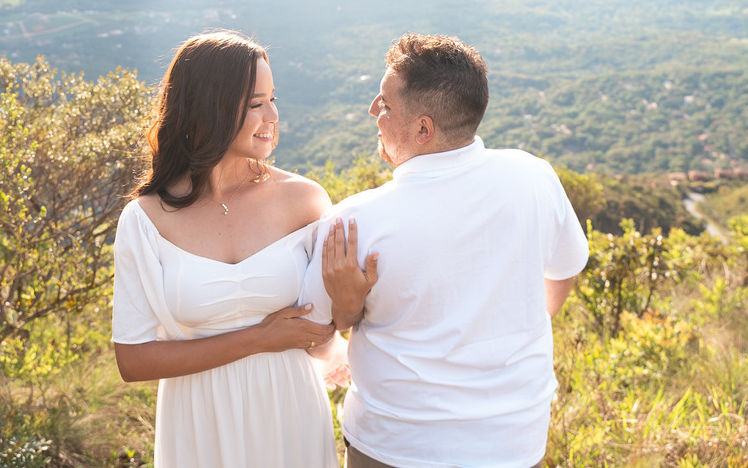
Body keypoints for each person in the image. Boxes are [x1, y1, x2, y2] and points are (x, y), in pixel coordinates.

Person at [301, 33, 590, 468]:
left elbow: (311, 328)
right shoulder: (534, 176)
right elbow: (564, 269)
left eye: (385, 104)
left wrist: (345, 318)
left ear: (423, 129)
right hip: (514, 441)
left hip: (397, 446)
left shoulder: (354, 222)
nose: (373, 110)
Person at [111, 31, 340, 467]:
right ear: (208, 106)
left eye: (273, 99)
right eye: (255, 104)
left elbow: (330, 324)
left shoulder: (306, 201)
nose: (273, 115)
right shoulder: (145, 219)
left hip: (290, 411)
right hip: (199, 424)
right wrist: (259, 339)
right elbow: (133, 360)